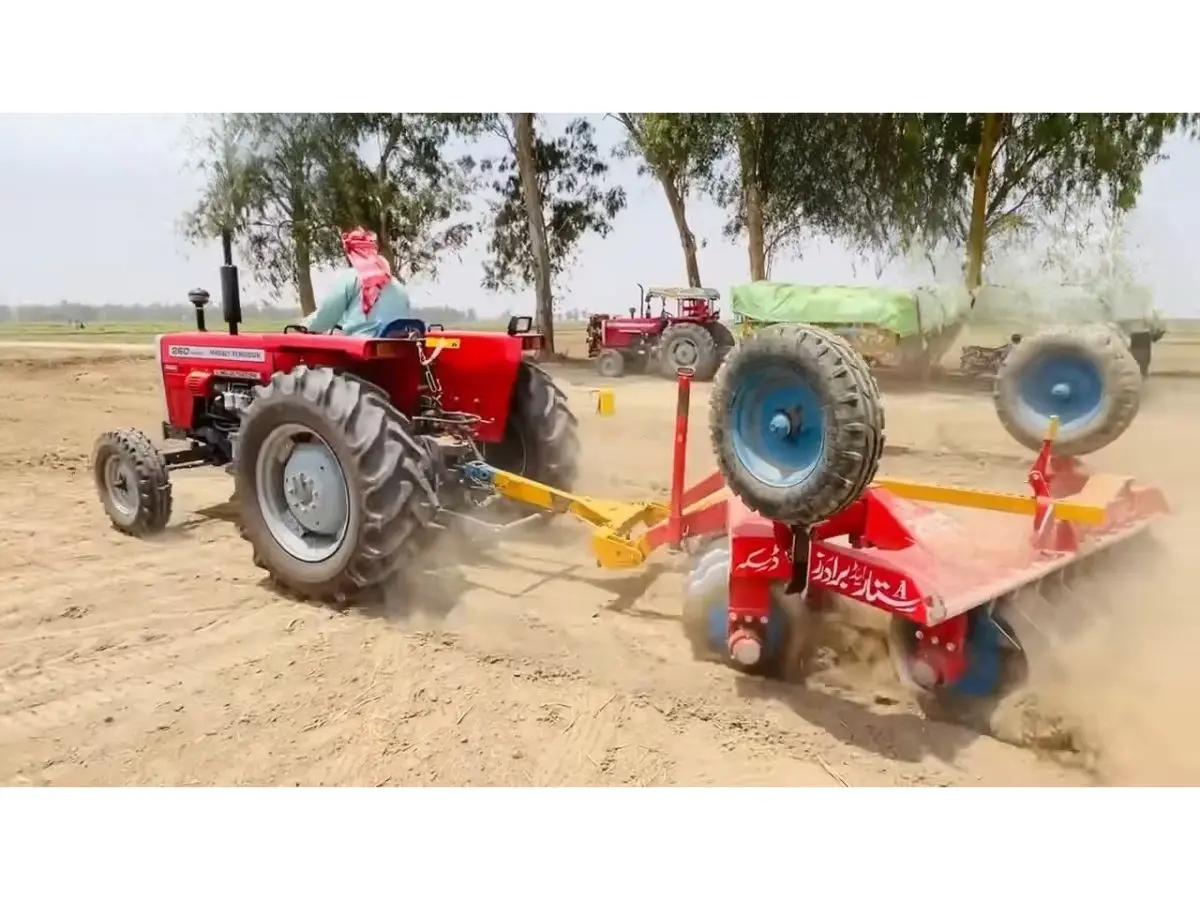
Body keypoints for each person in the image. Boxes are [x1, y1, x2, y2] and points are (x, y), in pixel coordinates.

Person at [300, 228, 412, 336]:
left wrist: (301, 326)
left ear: (350, 254)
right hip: (396, 349)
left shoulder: (351, 278)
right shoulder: (399, 286)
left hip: (361, 349)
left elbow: (325, 319)